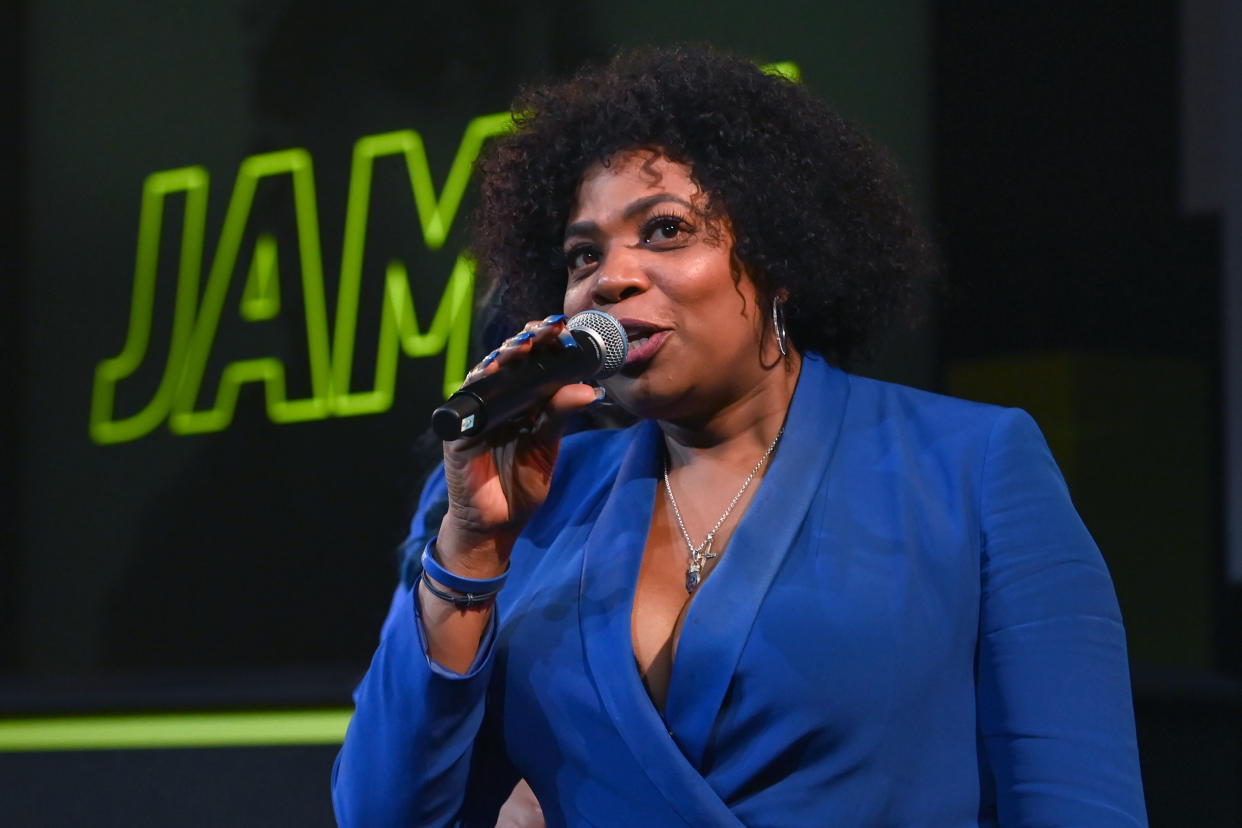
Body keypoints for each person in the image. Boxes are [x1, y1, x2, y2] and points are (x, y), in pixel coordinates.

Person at [332, 46, 1148, 826]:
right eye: (584, 254)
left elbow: (1077, 802)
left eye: (663, 230)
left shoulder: (970, 469)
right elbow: (381, 813)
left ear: (777, 254)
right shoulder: (524, 507)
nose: (609, 275)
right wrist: (470, 553)